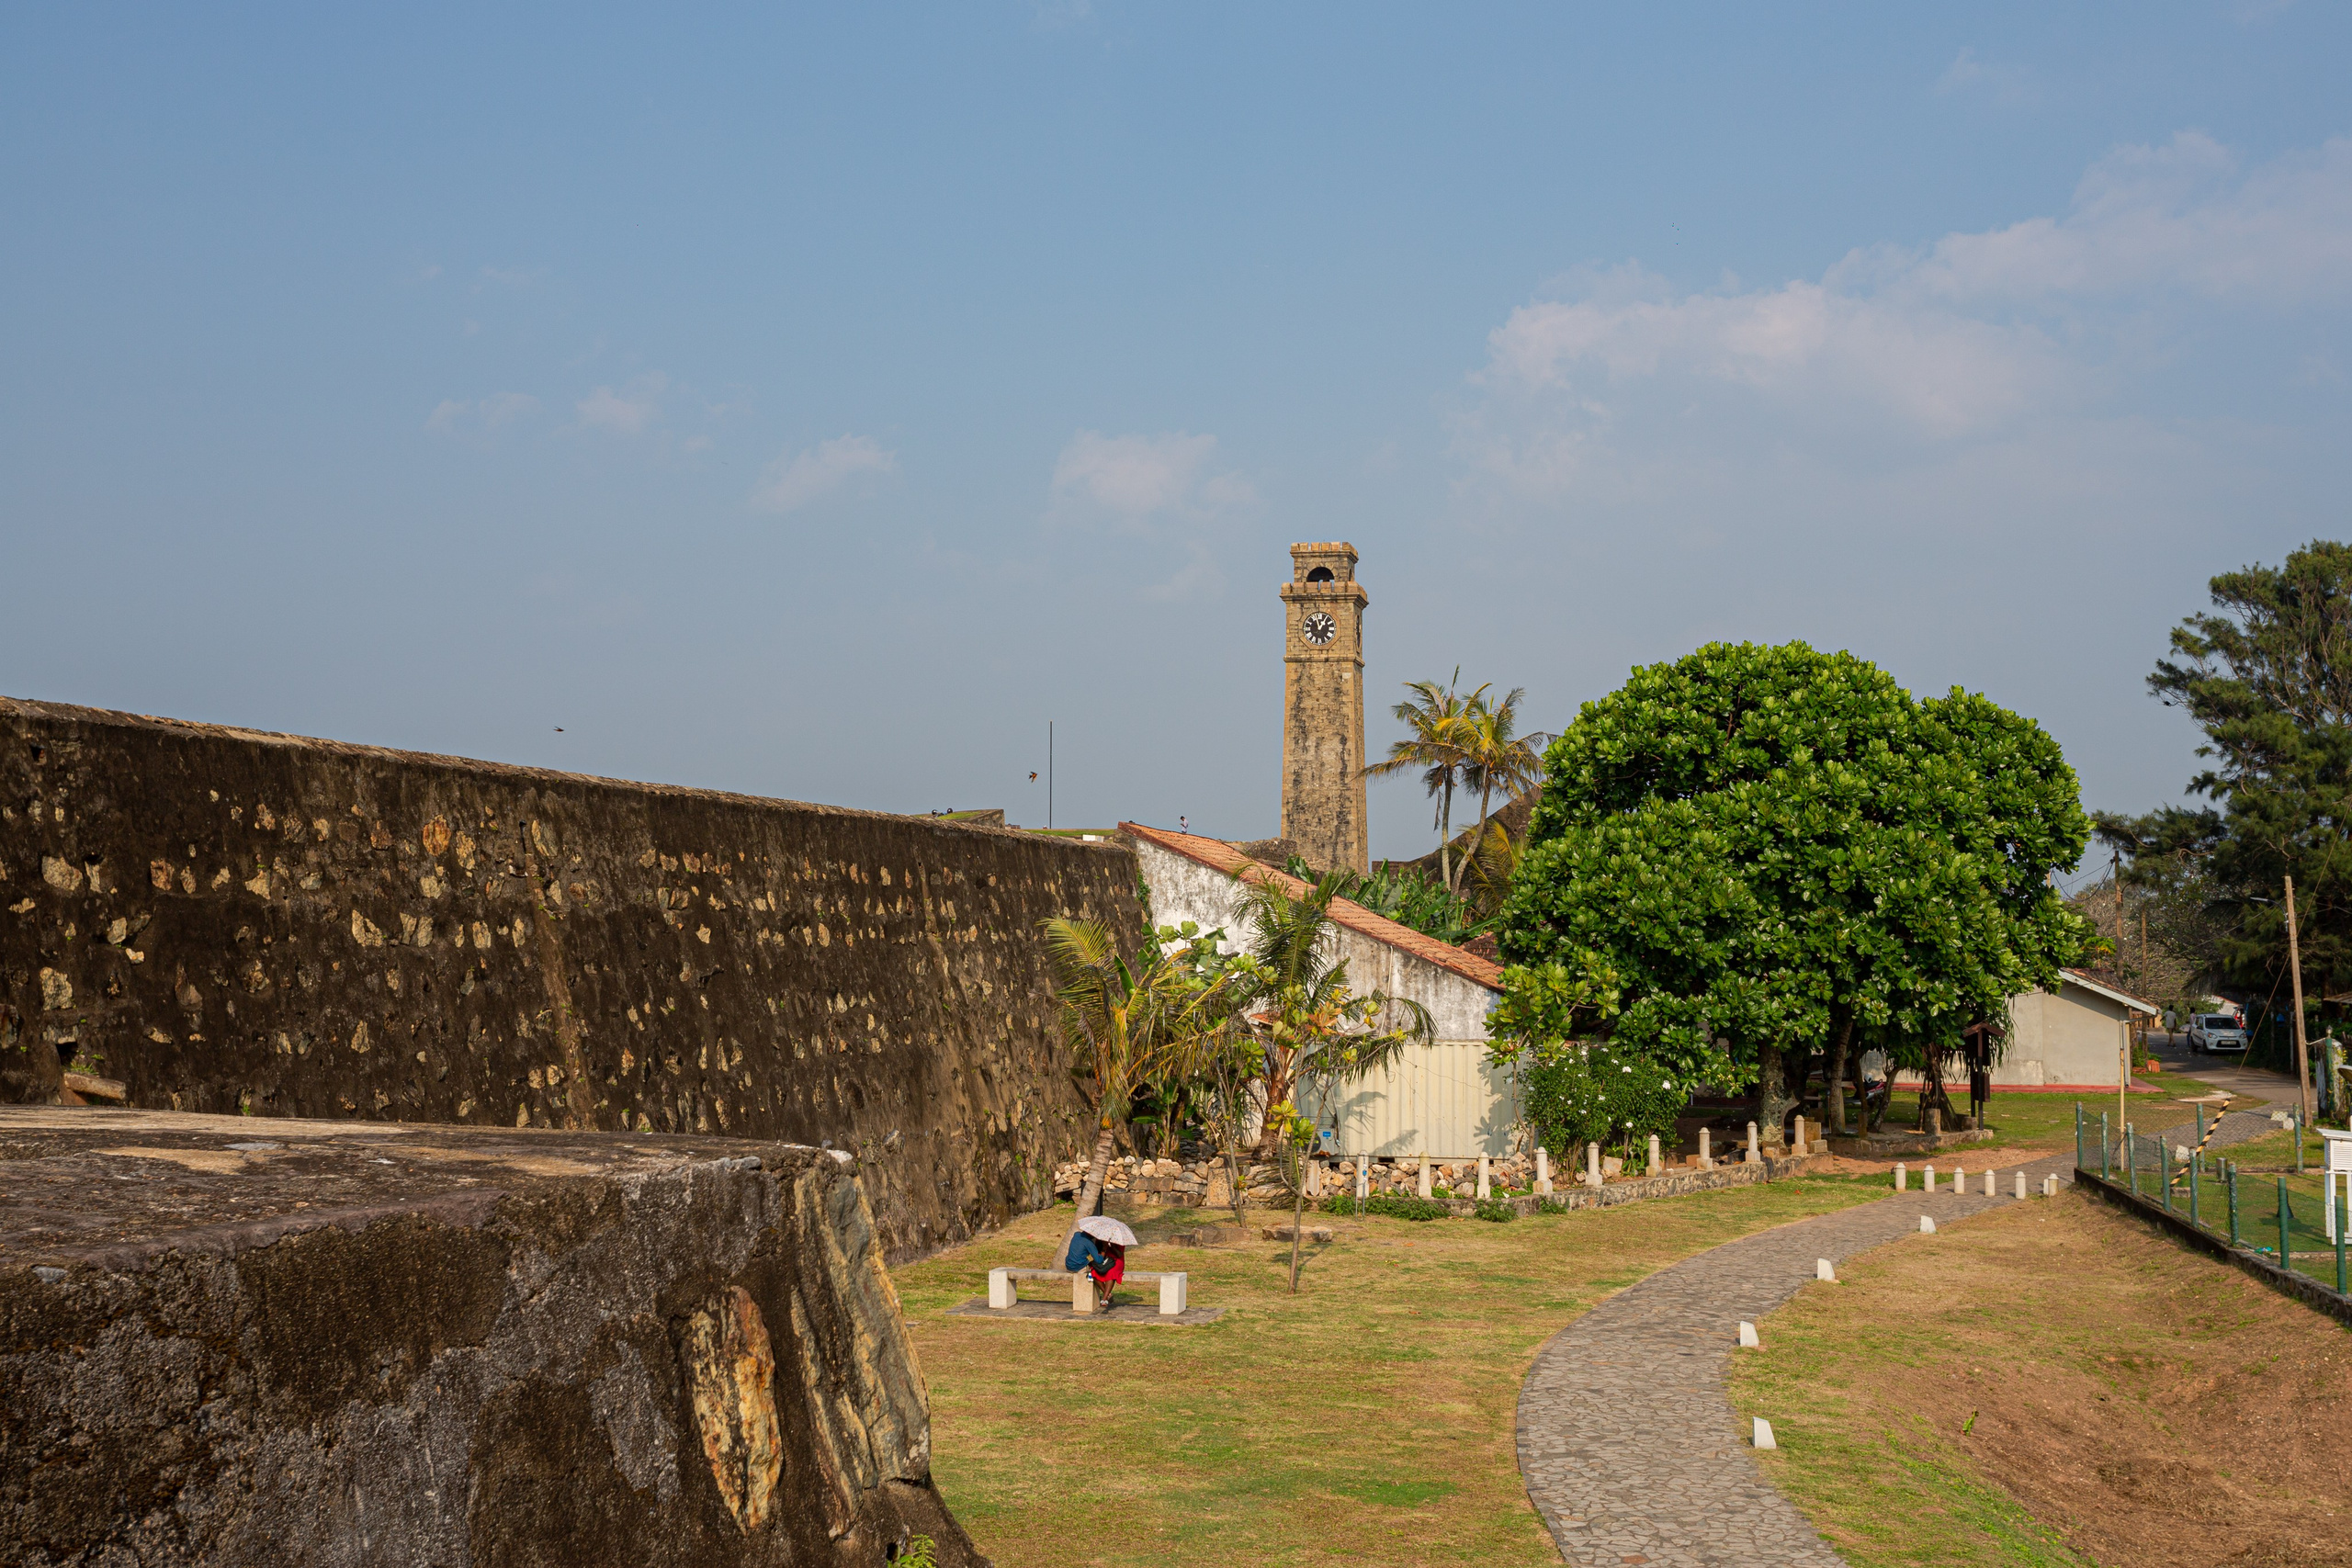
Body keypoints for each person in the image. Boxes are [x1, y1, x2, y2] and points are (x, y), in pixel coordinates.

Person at [1064, 1227, 1125, 1310]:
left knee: (1111, 1272)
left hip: (1116, 1261)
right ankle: (1107, 1295)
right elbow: (1099, 1259)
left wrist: (1111, 1246)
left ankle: (1104, 1298)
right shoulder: (1091, 1242)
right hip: (1082, 1266)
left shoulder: (1076, 1234)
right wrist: (1104, 1248)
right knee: (1093, 1272)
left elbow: (1119, 1254)